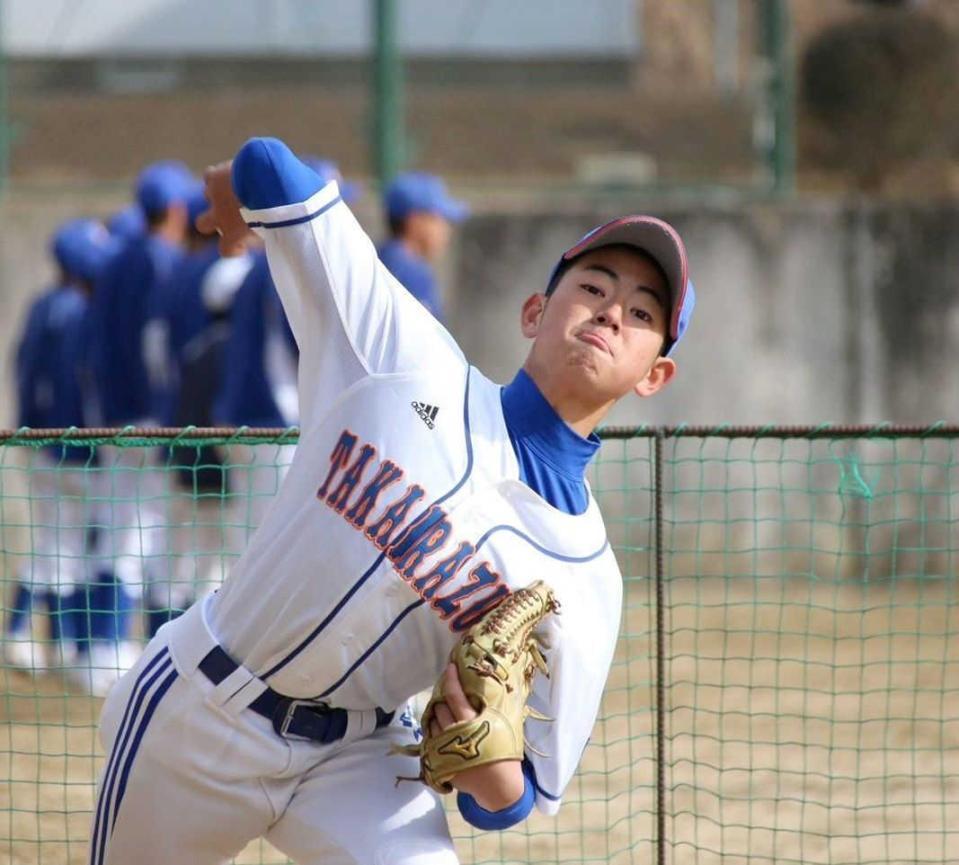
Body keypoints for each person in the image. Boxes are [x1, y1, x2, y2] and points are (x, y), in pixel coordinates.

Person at [88, 137, 695, 865]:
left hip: (361, 758)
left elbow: (518, 795)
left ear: (653, 374)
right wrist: (235, 192)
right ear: (535, 311)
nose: (610, 312)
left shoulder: (586, 576)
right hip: (204, 704)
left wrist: (491, 768)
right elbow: (269, 166)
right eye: (593, 287)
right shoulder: (406, 361)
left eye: (639, 311)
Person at [86, 159, 194, 686]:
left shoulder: (114, 259)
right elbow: (158, 347)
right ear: (174, 211)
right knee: (146, 535)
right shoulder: (162, 259)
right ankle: (122, 650)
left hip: (112, 413)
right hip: (150, 416)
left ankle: (103, 647)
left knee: (117, 528)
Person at [214, 157, 359, 547]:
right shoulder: (291, 265)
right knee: (280, 547)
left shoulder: (260, 264)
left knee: (249, 546)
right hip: (279, 425)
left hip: (244, 419)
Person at [5, 219, 115, 675]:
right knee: (65, 547)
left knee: (61, 545)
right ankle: (27, 636)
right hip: (71, 446)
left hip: (42, 440)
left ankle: (59, 642)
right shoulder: (76, 309)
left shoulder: (44, 303)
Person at [377, 171, 468, 320]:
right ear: (415, 221)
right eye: (439, 219)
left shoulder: (382, 257)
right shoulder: (410, 271)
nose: (446, 229)